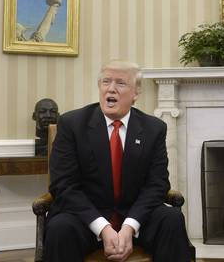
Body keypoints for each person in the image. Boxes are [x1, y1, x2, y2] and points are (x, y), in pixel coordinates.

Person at [44, 60, 191, 262]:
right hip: (86, 218)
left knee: (171, 219)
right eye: (106, 82)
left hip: (135, 216)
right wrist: (103, 227)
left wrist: (129, 226)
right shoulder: (72, 124)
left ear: (136, 94)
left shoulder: (153, 128)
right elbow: (64, 185)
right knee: (59, 228)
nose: (111, 89)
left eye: (120, 83)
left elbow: (157, 185)